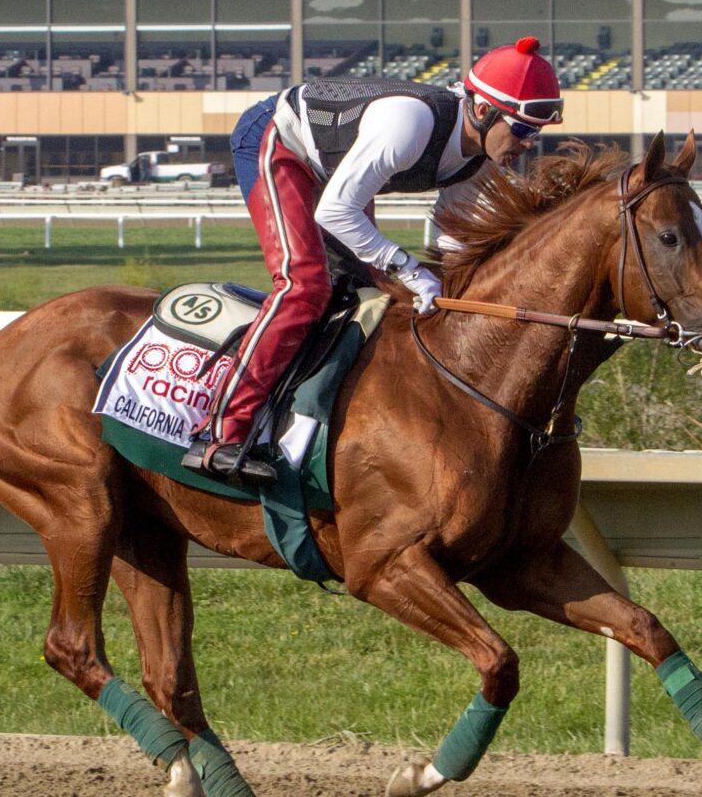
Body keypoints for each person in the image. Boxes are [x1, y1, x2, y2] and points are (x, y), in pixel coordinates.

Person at [183, 37, 566, 485]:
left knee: (374, 299)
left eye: (536, 132)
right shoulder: (409, 124)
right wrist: (409, 268)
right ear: (482, 111)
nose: (528, 142)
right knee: (304, 285)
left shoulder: (479, 161)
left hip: (334, 170)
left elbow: (456, 241)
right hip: (277, 138)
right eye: (521, 129)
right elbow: (334, 212)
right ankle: (219, 432)